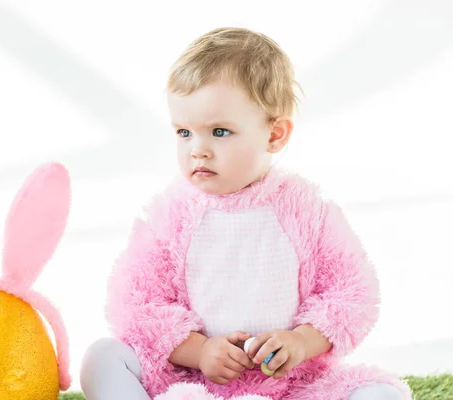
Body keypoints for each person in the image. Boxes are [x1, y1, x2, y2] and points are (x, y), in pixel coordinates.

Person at [80, 27, 412, 400]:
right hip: (192, 381)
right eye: (184, 132)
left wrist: (300, 342)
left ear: (275, 135)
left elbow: (352, 294)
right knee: (102, 357)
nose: (198, 150)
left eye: (219, 131)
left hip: (292, 386)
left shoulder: (306, 210)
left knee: (384, 393)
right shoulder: (171, 215)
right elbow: (137, 304)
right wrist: (199, 351)